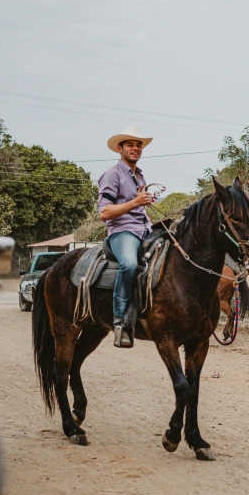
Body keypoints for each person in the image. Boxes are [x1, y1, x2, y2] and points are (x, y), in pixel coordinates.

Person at [98, 126, 153, 348]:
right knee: (129, 265)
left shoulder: (139, 174)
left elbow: (137, 206)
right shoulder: (112, 174)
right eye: (130, 144)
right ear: (119, 148)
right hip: (122, 231)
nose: (135, 148)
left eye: (138, 145)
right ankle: (120, 321)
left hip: (144, 229)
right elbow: (104, 212)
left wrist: (144, 204)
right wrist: (135, 203)